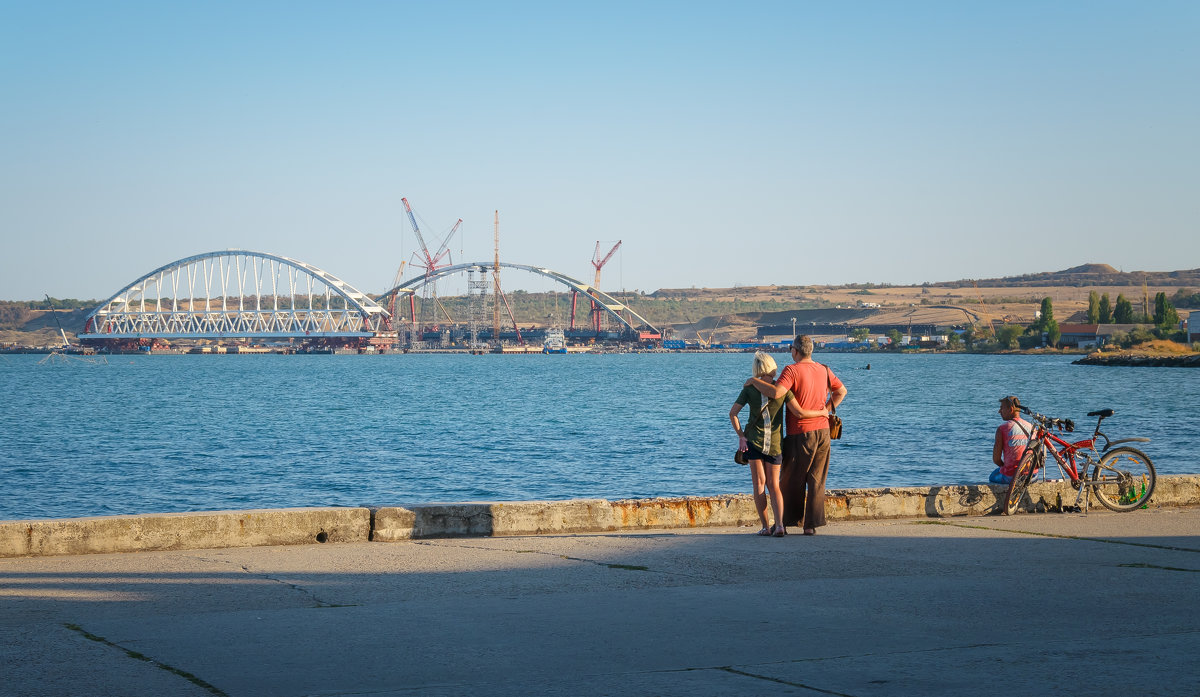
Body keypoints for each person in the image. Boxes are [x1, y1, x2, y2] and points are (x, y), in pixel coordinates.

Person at [745, 335, 846, 536]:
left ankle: (785, 522)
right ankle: (810, 525)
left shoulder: (792, 370)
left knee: (790, 478)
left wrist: (754, 382)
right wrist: (825, 410)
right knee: (817, 479)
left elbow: (776, 393)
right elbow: (841, 391)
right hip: (824, 432)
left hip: (800, 431)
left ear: (795, 351)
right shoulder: (824, 369)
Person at [729, 351, 827, 537]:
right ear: (771, 367)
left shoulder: (749, 388)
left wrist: (741, 436)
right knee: (774, 485)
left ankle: (766, 527)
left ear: (757, 368)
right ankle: (780, 525)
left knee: (759, 485)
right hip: (774, 445)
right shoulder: (783, 390)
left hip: (754, 443)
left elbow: (733, 413)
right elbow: (799, 412)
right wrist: (822, 413)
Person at [990, 395, 1033, 485]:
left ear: (1011, 409)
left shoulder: (1003, 428)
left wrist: (1006, 468)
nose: (999, 411)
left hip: (1012, 477)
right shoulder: (1031, 427)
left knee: (993, 476)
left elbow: (996, 459)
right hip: (1032, 476)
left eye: (1002, 408)